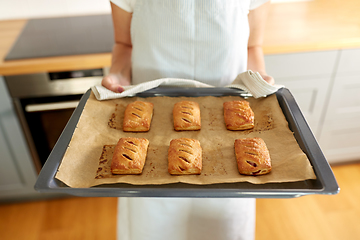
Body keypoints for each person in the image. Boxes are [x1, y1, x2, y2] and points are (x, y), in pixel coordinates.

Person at [102, 1, 274, 240]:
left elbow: (253, 46)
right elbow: (124, 44)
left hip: (228, 141)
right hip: (149, 137)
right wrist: (118, 75)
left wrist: (259, 77)